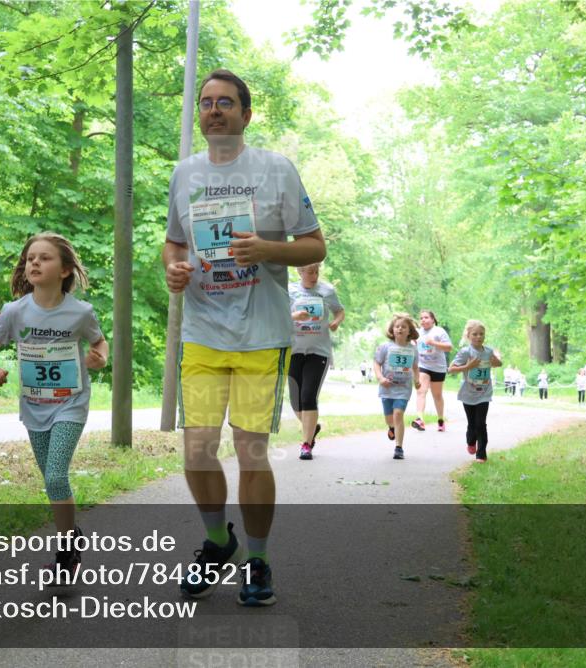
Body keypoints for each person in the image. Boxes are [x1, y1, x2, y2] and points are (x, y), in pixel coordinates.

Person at [162, 69, 326, 607]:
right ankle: (217, 542)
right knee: (196, 451)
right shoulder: (184, 174)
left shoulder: (276, 171)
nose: (214, 110)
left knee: (251, 451)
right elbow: (173, 245)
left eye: (225, 102)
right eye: (206, 103)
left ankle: (257, 559)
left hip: (260, 335)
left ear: (245, 114)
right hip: (204, 333)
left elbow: (314, 247)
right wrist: (176, 270)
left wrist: (266, 250)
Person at [0, 232, 108, 581]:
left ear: (65, 269)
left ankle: (66, 553)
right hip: (34, 406)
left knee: (55, 476)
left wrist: (99, 359)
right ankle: (72, 536)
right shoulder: (15, 312)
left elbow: (99, 342)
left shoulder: (80, 312)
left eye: (45, 258)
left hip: (71, 403)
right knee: (51, 482)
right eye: (30, 257)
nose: (34, 262)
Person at [288, 263, 345, 460]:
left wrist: (336, 322)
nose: (314, 276)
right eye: (310, 272)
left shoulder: (327, 290)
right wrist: (295, 316)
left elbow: (339, 311)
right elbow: (279, 317)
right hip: (294, 350)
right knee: (296, 403)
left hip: (318, 351)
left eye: (316, 271)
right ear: (299, 271)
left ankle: (306, 444)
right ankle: (311, 427)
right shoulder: (290, 290)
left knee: (308, 396)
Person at [449, 319, 502, 463]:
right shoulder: (465, 352)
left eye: (481, 334)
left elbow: (498, 363)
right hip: (468, 392)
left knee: (481, 423)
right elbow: (451, 369)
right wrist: (468, 366)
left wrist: (496, 361)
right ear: (468, 336)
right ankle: (471, 442)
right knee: (472, 424)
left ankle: (481, 454)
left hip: (484, 393)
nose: (479, 337)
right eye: (475, 334)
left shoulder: (488, 351)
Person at [372, 313, 421, 460]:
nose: (400, 329)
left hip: (403, 389)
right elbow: (376, 363)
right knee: (389, 419)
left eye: (403, 327)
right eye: (397, 326)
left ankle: (399, 448)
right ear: (392, 330)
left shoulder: (412, 349)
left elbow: (415, 367)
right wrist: (380, 378)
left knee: (398, 414)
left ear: (409, 331)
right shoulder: (385, 347)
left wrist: (417, 380)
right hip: (387, 388)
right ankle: (391, 428)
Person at [412, 310, 453, 432]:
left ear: (433, 319)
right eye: (421, 318)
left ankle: (440, 420)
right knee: (421, 391)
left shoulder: (439, 331)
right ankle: (420, 419)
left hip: (438, 367)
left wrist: (433, 343)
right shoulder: (418, 332)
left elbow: (449, 347)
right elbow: (414, 345)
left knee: (437, 395)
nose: (423, 320)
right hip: (423, 365)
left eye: (426, 317)